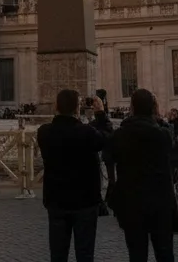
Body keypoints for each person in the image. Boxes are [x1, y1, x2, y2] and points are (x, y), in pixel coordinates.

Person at [36, 90, 109, 262]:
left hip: (56, 201)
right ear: (78, 108)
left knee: (58, 255)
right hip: (84, 202)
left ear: (56, 106)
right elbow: (105, 137)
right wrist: (101, 114)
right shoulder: (86, 133)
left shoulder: (44, 132)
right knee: (85, 254)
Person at [109, 88, 176, 262]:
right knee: (165, 253)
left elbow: (108, 156)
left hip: (131, 203)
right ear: (154, 108)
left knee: (136, 255)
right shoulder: (162, 135)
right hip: (160, 204)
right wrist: (159, 118)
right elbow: (171, 143)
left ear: (131, 107)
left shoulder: (121, 135)